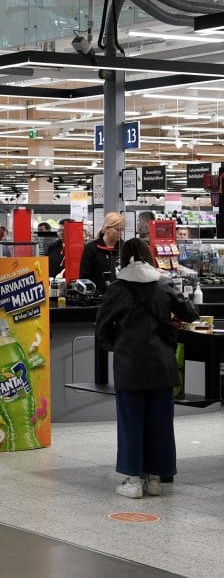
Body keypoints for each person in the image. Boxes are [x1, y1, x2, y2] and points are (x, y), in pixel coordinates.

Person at [95, 238, 198, 499]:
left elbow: (102, 330)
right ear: (149, 256)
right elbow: (190, 313)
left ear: (123, 259)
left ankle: (132, 480)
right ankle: (155, 479)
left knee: (131, 423)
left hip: (129, 366)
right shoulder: (164, 284)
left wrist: (119, 345)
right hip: (162, 364)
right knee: (160, 424)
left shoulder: (116, 289)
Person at [80, 211, 124, 293]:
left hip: (121, 297)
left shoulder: (125, 248)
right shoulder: (91, 249)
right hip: (98, 298)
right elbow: (84, 278)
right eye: (118, 230)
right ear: (107, 229)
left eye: (122, 230)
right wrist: (96, 295)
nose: (121, 233)